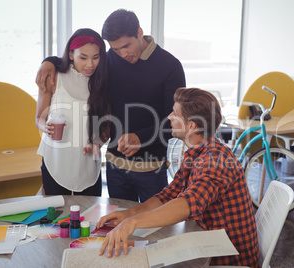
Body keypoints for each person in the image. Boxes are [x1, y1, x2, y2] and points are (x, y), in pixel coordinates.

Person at [96, 88, 260, 267]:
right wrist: (128, 214)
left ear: (191, 126)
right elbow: (168, 195)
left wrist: (133, 223)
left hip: (226, 259)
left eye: (175, 113)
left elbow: (187, 204)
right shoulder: (197, 153)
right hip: (206, 242)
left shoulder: (216, 160)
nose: (169, 117)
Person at [36, 9, 186, 202]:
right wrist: (48, 61)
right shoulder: (109, 60)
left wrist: (141, 138)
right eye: (115, 49)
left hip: (151, 167)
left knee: (156, 226)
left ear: (139, 32)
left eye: (126, 46)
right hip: (115, 167)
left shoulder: (170, 66)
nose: (123, 54)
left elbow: (177, 120)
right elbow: (77, 62)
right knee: (116, 225)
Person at [36, 28, 110, 196]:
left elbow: (106, 125)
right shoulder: (54, 76)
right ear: (71, 54)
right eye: (83, 57)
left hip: (88, 163)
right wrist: (44, 126)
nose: (90, 64)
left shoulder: (102, 82)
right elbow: (39, 117)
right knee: (56, 217)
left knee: (90, 216)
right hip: (56, 158)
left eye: (95, 57)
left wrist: (97, 144)